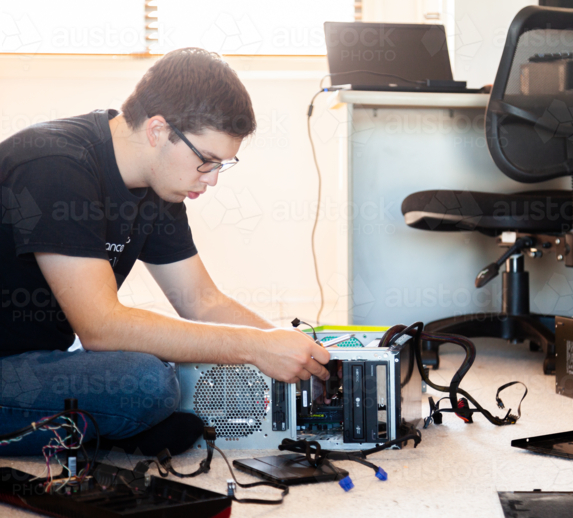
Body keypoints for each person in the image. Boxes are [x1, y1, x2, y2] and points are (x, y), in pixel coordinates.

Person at [0, 48, 330, 456]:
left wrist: (290, 349)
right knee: (147, 381)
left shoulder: (158, 187)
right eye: (206, 161)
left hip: (38, 356)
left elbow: (204, 303)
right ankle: (118, 426)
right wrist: (254, 346)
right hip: (11, 365)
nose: (212, 180)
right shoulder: (56, 165)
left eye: (222, 166)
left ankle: (114, 427)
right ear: (157, 130)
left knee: (164, 363)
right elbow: (101, 327)